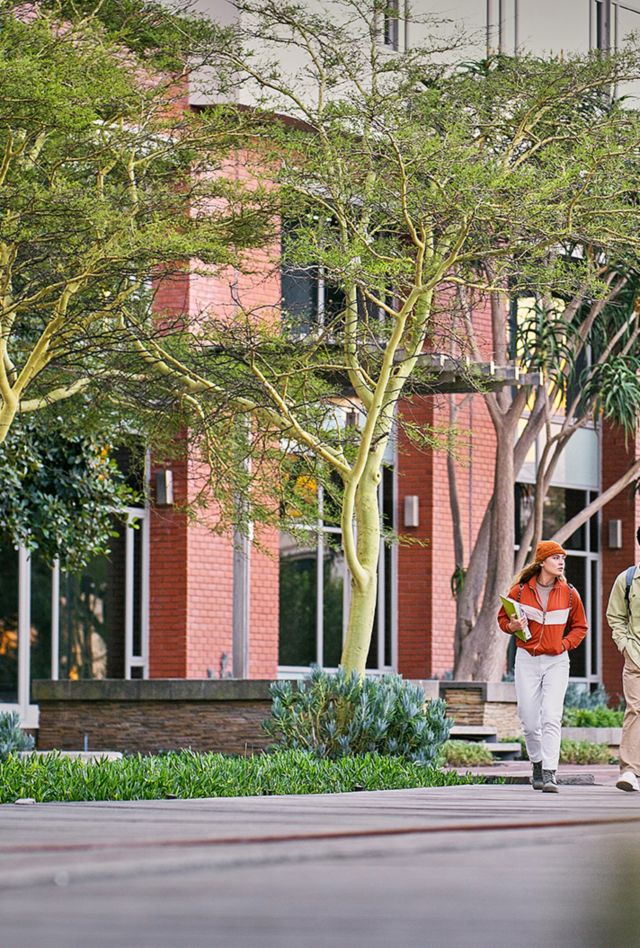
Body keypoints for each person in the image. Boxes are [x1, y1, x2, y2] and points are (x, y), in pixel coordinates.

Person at [498, 540, 588, 792]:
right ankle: (536, 763)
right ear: (542, 562)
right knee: (528, 720)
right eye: (556, 558)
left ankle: (550, 773)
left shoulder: (570, 593)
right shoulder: (519, 591)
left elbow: (581, 626)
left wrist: (564, 644)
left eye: (563, 559)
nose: (561, 562)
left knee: (551, 716)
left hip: (557, 662)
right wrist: (511, 627)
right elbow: (503, 619)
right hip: (526, 659)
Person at [605, 529, 640, 792]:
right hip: (636, 659)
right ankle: (629, 771)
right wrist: (625, 647)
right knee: (635, 712)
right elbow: (615, 617)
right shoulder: (627, 579)